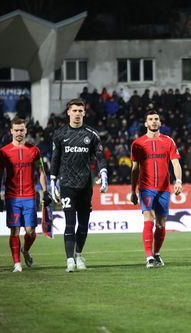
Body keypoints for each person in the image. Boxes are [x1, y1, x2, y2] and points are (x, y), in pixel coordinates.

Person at [50, 98, 108, 272]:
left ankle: (78, 254)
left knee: (83, 224)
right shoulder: (60, 134)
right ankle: (69, 261)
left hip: (85, 186)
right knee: (69, 222)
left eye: (80, 111)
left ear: (84, 113)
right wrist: (53, 181)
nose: (77, 114)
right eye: (74, 110)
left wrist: (103, 173)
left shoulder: (91, 134)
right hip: (67, 184)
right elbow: (55, 160)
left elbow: (100, 157)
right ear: (68, 112)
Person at [0, 117, 50, 272]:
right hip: (12, 197)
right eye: (16, 130)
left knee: (31, 231)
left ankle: (25, 250)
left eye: (21, 130)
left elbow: (41, 172)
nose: (19, 133)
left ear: (26, 130)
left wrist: (45, 191)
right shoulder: (4, 152)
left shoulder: (34, 150)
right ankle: (17, 264)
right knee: (14, 230)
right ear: (11, 131)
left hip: (29, 196)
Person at [130, 110, 183, 268]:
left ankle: (157, 254)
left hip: (164, 189)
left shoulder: (169, 142)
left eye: (156, 119)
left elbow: (175, 163)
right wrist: (133, 191)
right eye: (150, 119)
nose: (153, 121)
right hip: (146, 188)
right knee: (149, 217)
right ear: (146, 123)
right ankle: (149, 258)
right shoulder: (138, 144)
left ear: (160, 123)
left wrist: (178, 181)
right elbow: (134, 169)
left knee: (161, 223)